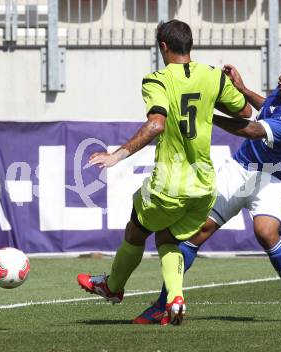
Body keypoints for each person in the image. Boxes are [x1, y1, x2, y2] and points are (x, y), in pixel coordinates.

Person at [77, 19, 252, 326]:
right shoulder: (213, 76)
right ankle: (175, 298)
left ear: (163, 47)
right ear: (191, 45)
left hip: (169, 184)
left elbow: (157, 124)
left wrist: (116, 155)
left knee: (135, 229)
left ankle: (113, 286)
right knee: (167, 237)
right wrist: (235, 87)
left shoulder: (156, 80)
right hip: (203, 186)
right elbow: (245, 112)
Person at [133, 53, 281, 325]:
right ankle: (162, 304)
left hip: (273, 178)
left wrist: (206, 116)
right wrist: (243, 90)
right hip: (240, 168)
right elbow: (266, 108)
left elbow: (254, 130)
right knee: (197, 231)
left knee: (266, 233)